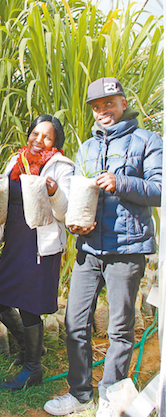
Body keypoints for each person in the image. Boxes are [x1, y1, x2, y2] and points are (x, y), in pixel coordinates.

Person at [44, 77, 162, 416]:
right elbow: (82, 194)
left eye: (109, 103)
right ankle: (80, 393)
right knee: (74, 322)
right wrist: (78, 220)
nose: (102, 111)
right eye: (96, 107)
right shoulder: (87, 148)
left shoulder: (148, 141)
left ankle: (112, 396)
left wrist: (120, 181)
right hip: (89, 248)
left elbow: (159, 188)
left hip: (128, 248)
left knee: (120, 328)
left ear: (123, 103)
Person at [0, 114, 74, 390]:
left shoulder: (61, 166)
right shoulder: (17, 160)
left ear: (56, 142)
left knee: (28, 306)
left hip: (40, 244)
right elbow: (5, 196)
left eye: (47, 136)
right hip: (15, 239)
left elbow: (65, 211)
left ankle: (33, 369)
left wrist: (55, 191)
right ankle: (30, 348)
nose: (39, 140)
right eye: (35, 134)